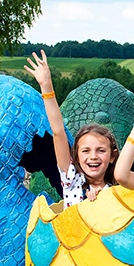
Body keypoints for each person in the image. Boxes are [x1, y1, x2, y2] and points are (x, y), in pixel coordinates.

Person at [24, 51, 119, 207]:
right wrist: (46, 86)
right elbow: (58, 131)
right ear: (76, 156)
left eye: (101, 150)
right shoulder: (72, 180)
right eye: (86, 151)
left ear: (112, 157)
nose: (93, 156)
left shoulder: (117, 192)